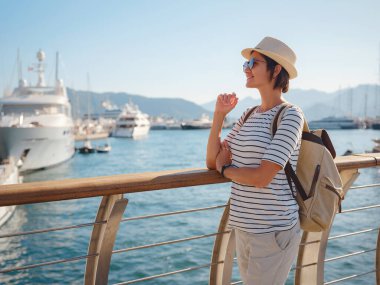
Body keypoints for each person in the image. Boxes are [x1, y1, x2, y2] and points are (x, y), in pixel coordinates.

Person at [206, 36, 304, 285]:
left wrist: (226, 169)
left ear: (276, 69)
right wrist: (218, 116)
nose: (246, 68)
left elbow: (262, 177)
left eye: (253, 62)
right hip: (244, 227)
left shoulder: (290, 115)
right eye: (246, 64)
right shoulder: (248, 114)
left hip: (273, 231)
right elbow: (211, 162)